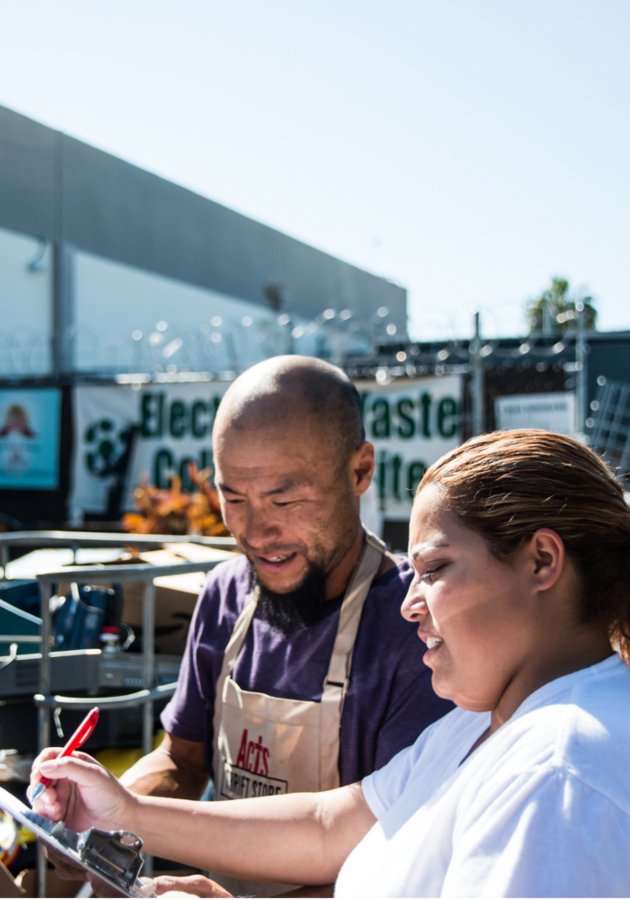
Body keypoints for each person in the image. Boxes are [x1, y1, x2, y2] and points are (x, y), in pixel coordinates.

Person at [32, 428, 630, 897]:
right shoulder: (486, 722)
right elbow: (327, 825)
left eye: (436, 571)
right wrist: (126, 810)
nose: (409, 605)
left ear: (542, 561)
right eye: (233, 496)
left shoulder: (556, 775)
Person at [118, 354, 449, 892]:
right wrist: (108, 817)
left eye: (285, 498)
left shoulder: (418, 625)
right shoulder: (226, 592)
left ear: (360, 470)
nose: (255, 531)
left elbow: (401, 859)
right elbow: (182, 758)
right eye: (233, 498)